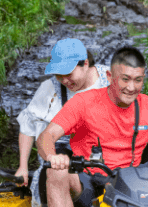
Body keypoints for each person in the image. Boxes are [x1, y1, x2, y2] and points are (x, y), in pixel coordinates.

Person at [37, 46, 148, 207]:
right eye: (125, 79)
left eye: (137, 80)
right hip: (90, 183)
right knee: (57, 171)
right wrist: (52, 156)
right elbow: (46, 136)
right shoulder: (83, 102)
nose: (131, 87)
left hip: (133, 184)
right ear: (110, 77)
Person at [14, 38, 110, 185]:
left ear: (85, 64)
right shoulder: (50, 89)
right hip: (63, 155)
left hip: (105, 149)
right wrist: (23, 166)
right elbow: (28, 125)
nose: (64, 81)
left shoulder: (110, 80)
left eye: (68, 74)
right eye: (59, 75)